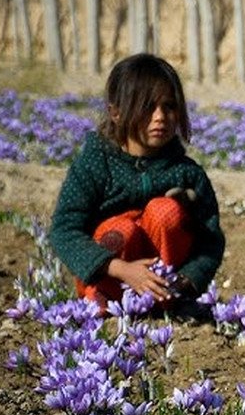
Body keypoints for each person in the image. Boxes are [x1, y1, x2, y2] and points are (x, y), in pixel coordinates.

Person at [49, 53, 225, 313]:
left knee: (166, 211)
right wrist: (122, 269)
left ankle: (163, 302)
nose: (160, 116)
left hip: (165, 286)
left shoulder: (187, 173)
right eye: (147, 107)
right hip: (109, 277)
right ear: (116, 113)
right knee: (122, 230)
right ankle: (102, 300)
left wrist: (187, 280)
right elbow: (64, 230)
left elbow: (210, 241)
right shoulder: (96, 163)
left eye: (169, 106)